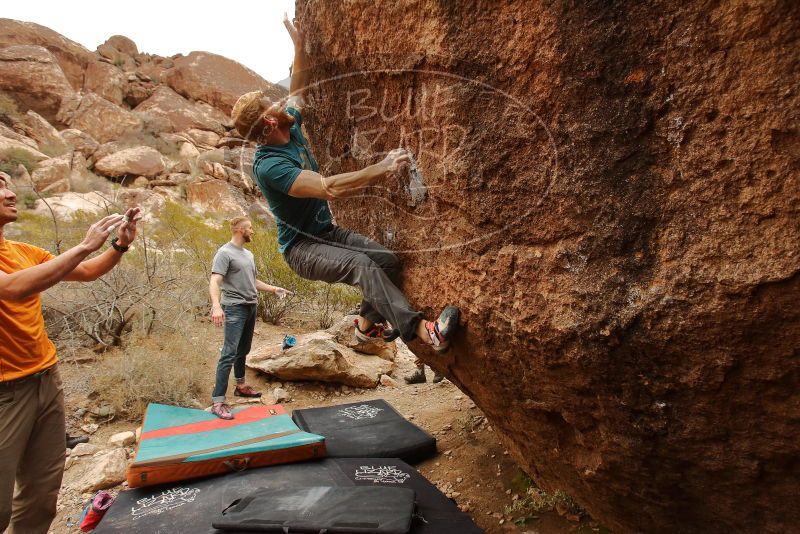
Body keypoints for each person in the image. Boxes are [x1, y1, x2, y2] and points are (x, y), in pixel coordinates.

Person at [229, 14, 461, 371]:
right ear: (268, 122)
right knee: (360, 265)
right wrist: (380, 168)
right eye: (270, 105)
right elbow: (327, 188)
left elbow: (298, 86)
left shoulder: (288, 127)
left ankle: (366, 328)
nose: (278, 103)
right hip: (302, 249)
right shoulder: (269, 166)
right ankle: (424, 330)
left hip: (327, 234)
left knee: (386, 260)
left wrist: (298, 45)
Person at [0, 171, 140, 534]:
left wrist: (118, 246)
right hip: (4, 394)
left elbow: (89, 271)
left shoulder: (23, 252)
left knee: (41, 494)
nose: (10, 193)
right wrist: (82, 245)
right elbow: (13, 289)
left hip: (45, 381)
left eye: (7, 184)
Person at [209, 216, 290, 420]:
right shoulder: (224, 253)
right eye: (249, 228)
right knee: (229, 352)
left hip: (250, 306)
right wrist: (216, 306)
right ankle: (218, 401)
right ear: (238, 229)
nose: (252, 231)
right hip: (234, 307)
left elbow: (252, 281)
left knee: (243, 349)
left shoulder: (248, 254)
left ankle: (241, 386)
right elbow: (215, 280)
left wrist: (273, 289)